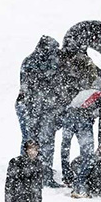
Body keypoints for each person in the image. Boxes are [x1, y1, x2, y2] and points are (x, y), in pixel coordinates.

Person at [15, 35, 63, 187]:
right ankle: (25, 174)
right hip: (29, 107)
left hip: (45, 108)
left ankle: (45, 175)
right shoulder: (30, 63)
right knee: (30, 140)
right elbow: (28, 90)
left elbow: (56, 87)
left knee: (47, 141)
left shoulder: (53, 63)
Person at [61, 78, 101, 198]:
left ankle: (67, 177)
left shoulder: (83, 92)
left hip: (68, 116)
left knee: (65, 147)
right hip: (82, 120)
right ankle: (80, 186)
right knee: (88, 155)